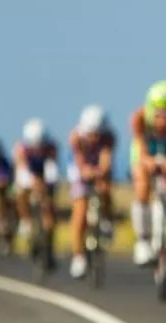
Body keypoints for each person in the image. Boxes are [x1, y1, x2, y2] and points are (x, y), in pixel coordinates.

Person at [129, 80, 166, 266]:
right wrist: (147, 162)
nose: (163, 118)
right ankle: (143, 240)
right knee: (142, 186)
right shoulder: (139, 118)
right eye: (159, 112)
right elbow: (140, 147)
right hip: (144, 154)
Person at [67, 105, 116, 278]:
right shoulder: (76, 137)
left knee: (105, 189)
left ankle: (107, 220)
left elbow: (106, 157)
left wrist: (102, 171)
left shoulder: (109, 136)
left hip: (98, 166)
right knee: (80, 211)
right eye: (91, 134)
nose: (94, 138)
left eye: (97, 134)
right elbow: (79, 162)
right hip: (79, 169)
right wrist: (86, 171)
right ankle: (78, 256)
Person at [13, 118, 60, 270]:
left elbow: (52, 169)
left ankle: (49, 245)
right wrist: (33, 183)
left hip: (45, 174)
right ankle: (25, 220)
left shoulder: (52, 147)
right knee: (21, 193)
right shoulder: (21, 148)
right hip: (29, 174)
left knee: (49, 208)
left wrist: (45, 186)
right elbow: (22, 169)